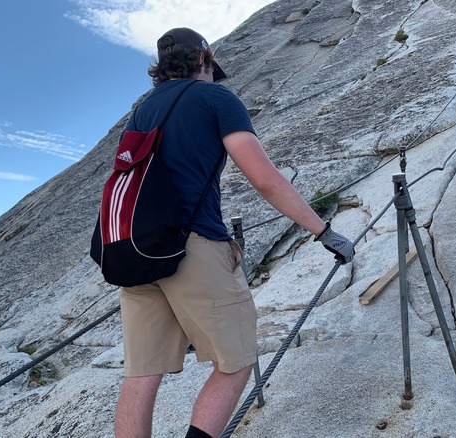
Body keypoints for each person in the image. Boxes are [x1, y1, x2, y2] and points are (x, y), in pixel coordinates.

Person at [113, 27, 355, 438]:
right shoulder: (215, 98)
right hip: (195, 247)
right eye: (212, 68)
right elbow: (264, 178)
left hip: (136, 253)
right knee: (237, 362)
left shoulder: (141, 111)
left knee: (142, 374)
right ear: (203, 60)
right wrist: (323, 231)